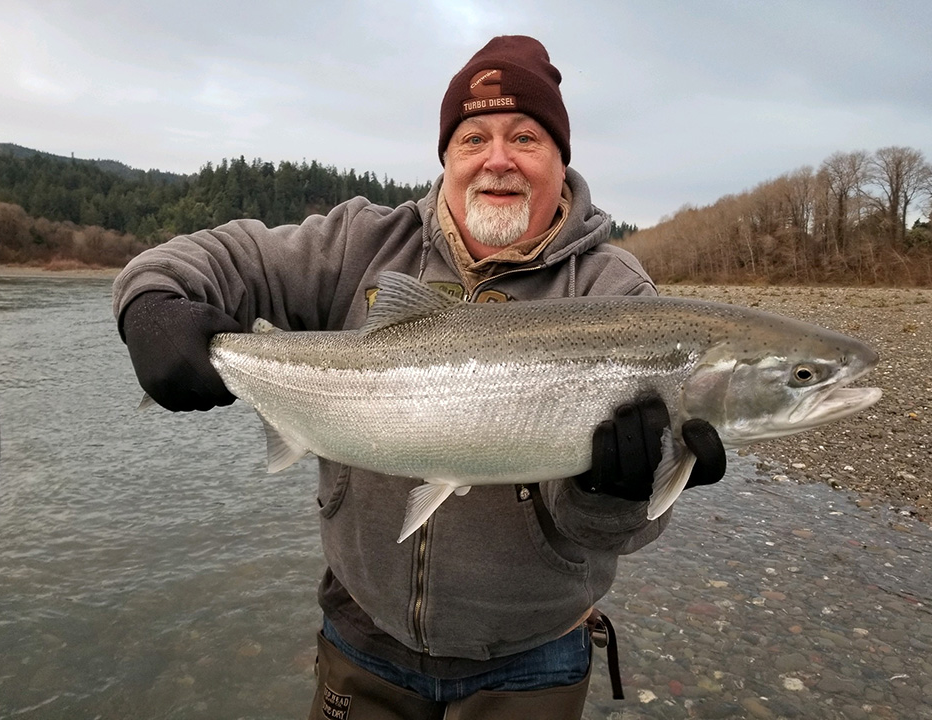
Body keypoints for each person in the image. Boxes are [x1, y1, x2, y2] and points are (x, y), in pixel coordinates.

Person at [113, 35, 726, 719]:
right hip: (362, 630)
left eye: (525, 137)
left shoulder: (621, 295)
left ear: (561, 160)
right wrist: (151, 305)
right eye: (473, 139)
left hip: (532, 656)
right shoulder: (363, 243)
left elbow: (623, 535)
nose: (498, 160)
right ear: (447, 159)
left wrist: (612, 498)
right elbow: (226, 255)